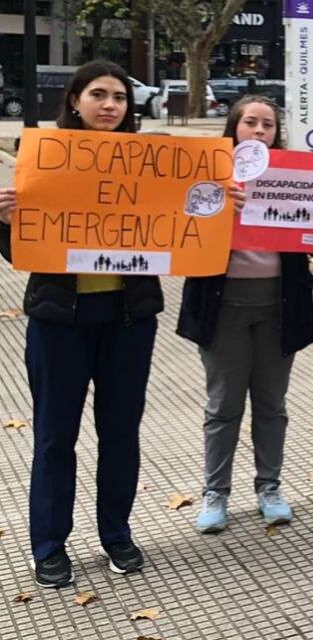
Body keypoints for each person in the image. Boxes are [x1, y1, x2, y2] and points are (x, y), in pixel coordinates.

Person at [0, 61, 241, 588]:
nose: (110, 105)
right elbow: (21, 250)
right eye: (98, 94)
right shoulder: (42, 162)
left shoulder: (150, 163)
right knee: (54, 437)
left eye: (119, 97)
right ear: (74, 101)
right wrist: (5, 218)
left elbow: (187, 220)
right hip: (58, 322)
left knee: (120, 434)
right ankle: (49, 545)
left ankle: (117, 535)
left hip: (128, 321)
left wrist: (223, 206)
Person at [178, 96, 313, 534]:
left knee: (271, 404)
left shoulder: (297, 175)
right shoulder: (207, 178)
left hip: (279, 304)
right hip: (221, 306)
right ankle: (215, 493)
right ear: (233, 129)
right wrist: (217, 209)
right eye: (250, 123)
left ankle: (270, 488)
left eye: (268, 125)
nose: (259, 131)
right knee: (223, 404)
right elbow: (179, 237)